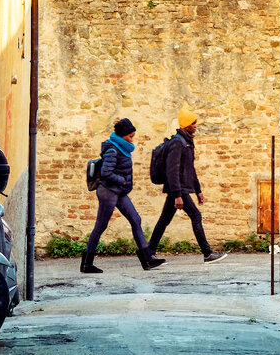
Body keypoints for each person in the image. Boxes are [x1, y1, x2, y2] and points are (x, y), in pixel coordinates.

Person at [80, 118, 165, 274]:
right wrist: (122, 180)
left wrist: (122, 183)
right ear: (122, 135)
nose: (132, 139)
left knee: (136, 219)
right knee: (101, 225)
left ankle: (147, 260)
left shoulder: (122, 148)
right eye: (130, 136)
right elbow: (106, 173)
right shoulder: (113, 150)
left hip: (118, 192)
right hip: (108, 191)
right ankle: (87, 263)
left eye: (133, 136)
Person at [146, 107, 228, 263]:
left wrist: (198, 190)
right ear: (185, 125)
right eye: (193, 123)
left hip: (179, 189)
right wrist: (177, 194)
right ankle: (207, 254)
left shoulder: (186, 142)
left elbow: (190, 169)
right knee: (195, 216)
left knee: (164, 220)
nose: (195, 126)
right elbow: (172, 170)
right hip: (178, 189)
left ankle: (149, 253)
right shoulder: (178, 143)